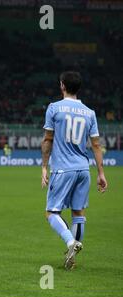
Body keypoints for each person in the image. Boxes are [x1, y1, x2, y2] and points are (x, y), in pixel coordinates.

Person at [41, 71, 108, 270]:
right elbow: (96, 145)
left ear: (62, 85)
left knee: (51, 212)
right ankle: (73, 257)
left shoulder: (54, 108)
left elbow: (48, 140)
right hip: (83, 169)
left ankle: (71, 242)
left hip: (63, 169)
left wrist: (44, 165)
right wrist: (101, 173)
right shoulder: (90, 112)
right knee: (78, 213)